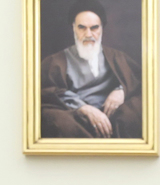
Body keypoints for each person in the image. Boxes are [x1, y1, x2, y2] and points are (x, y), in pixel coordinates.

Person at [41, 0, 142, 139]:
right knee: (56, 120)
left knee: (136, 109)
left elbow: (138, 80)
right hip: (75, 117)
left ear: (101, 29)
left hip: (113, 117)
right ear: (73, 28)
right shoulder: (55, 61)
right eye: (82, 27)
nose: (88, 34)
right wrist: (84, 109)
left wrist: (121, 90)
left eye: (94, 28)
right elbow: (48, 92)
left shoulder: (117, 57)